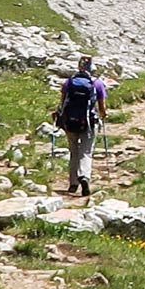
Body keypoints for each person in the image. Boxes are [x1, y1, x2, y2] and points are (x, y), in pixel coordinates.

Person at [55, 55, 109, 196]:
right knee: (86, 152)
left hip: (70, 122)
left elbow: (62, 103)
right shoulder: (97, 83)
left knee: (74, 152)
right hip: (89, 123)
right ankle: (84, 177)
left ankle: (73, 184)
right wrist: (103, 116)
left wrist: (58, 116)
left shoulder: (69, 82)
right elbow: (102, 108)